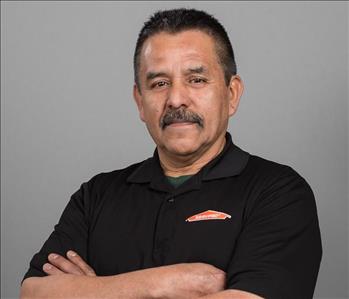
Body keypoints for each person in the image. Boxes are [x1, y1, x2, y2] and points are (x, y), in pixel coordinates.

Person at [20, 8, 322, 299]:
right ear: (140, 101)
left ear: (232, 94)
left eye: (197, 80)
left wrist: (95, 290)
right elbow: (33, 293)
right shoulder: (96, 196)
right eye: (160, 83)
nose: (176, 99)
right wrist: (165, 283)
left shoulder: (279, 193)